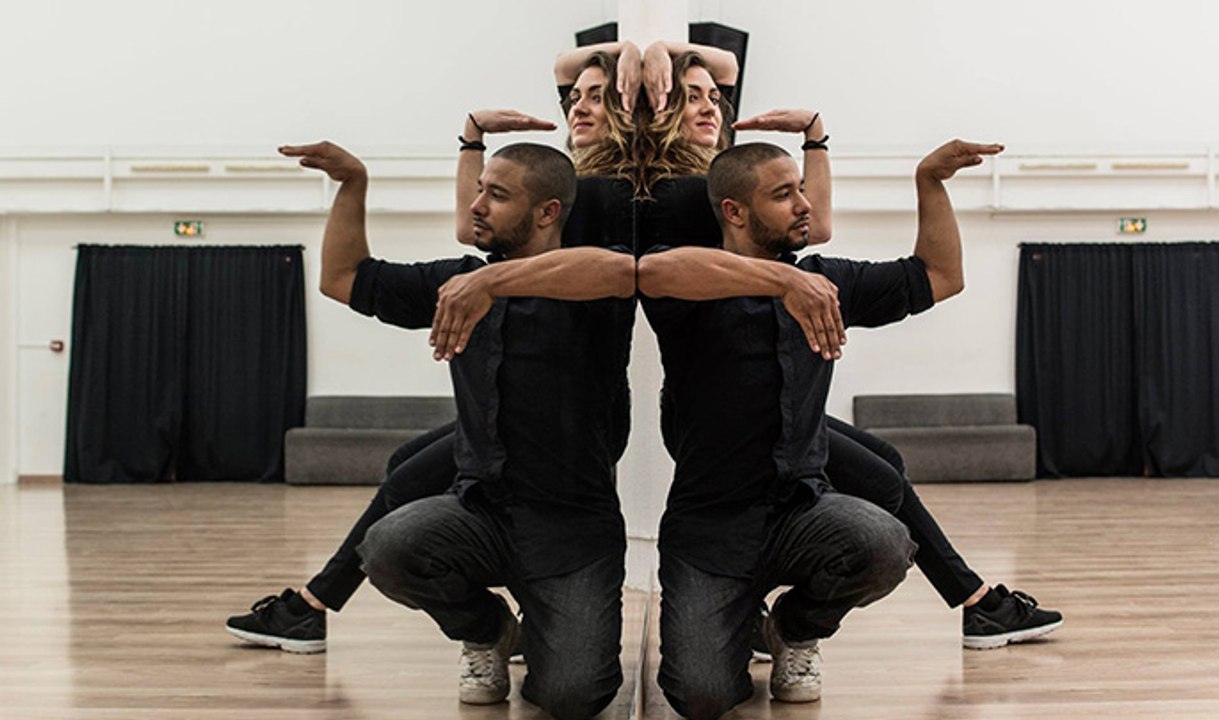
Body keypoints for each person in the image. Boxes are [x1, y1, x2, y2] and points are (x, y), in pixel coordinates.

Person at [636, 139, 1004, 717]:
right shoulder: (691, 289)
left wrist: (929, 182)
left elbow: (941, 275)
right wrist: (781, 282)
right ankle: (733, 618)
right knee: (701, 695)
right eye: (784, 195)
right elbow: (651, 272)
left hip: (799, 512)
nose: (804, 204)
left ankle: (795, 628)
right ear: (733, 212)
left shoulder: (826, 281)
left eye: (801, 190)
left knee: (884, 542)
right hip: (710, 528)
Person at [286, 139, 634, 718]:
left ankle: (547, 626)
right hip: (482, 514)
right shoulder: (457, 282)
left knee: (574, 697)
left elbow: (622, 271)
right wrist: (353, 184)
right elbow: (343, 277)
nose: (476, 205)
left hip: (573, 532)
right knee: (389, 546)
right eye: (480, 191)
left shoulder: (594, 290)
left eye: (496, 195)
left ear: (549, 212)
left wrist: (494, 283)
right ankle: (488, 631)